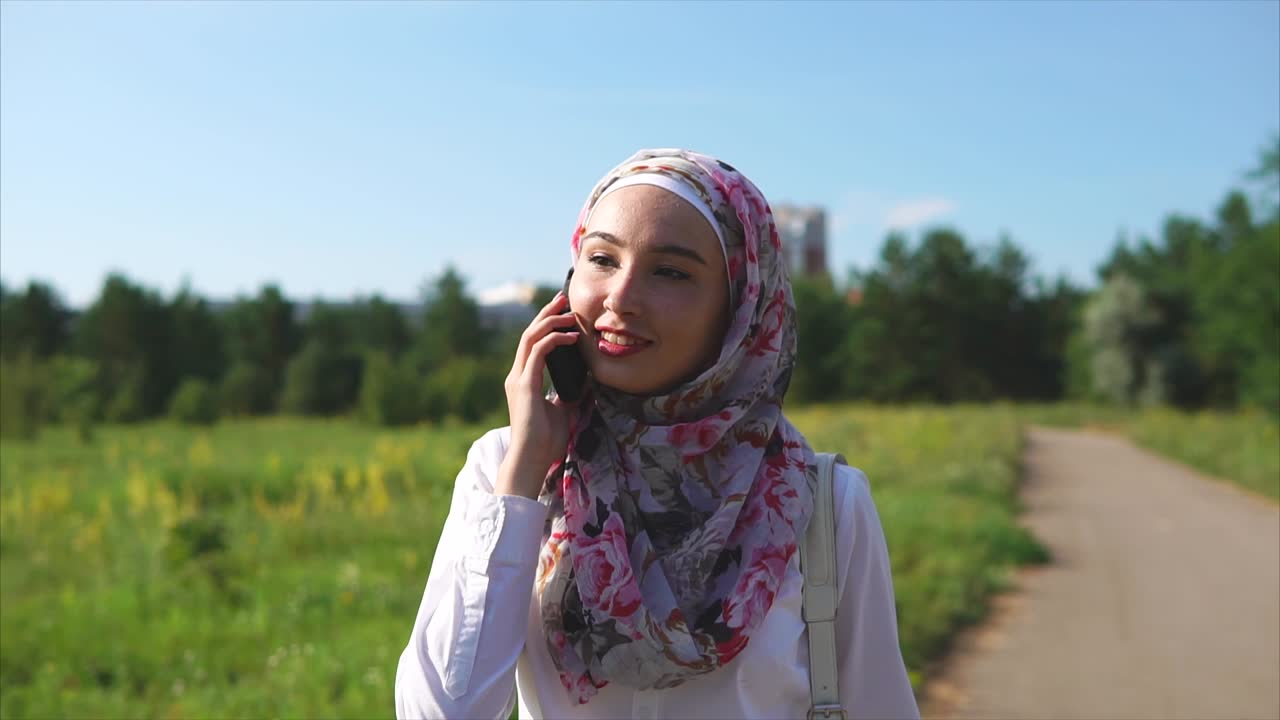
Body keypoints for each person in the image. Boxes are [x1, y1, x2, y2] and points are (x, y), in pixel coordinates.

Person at [395, 149, 920, 719]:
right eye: (601, 259)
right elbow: (442, 712)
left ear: (741, 308)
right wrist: (521, 480)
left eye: (669, 271)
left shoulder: (824, 504)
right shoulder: (507, 470)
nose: (619, 298)